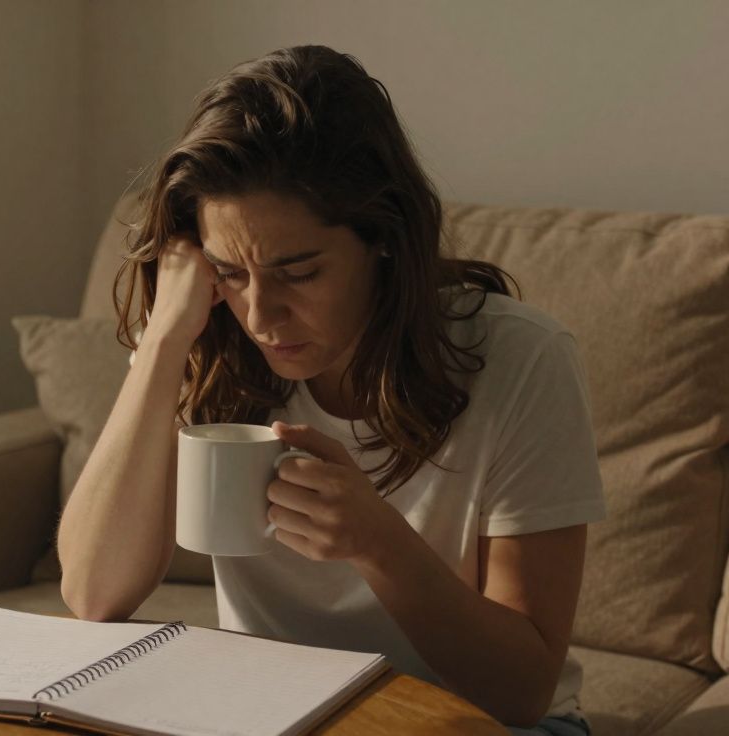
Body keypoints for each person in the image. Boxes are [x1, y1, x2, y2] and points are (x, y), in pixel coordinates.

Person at [56, 45, 605, 735]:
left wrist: (380, 544)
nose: (259, 316)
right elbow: (93, 594)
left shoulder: (521, 360)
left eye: (299, 271)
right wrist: (165, 342)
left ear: (383, 239)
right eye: (229, 271)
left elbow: (522, 691)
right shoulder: (210, 339)